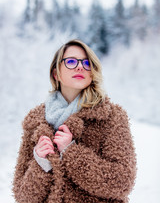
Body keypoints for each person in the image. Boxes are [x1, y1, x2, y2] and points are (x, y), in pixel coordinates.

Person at [12, 39, 137, 203]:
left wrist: (71, 152)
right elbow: (23, 197)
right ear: (56, 74)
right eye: (71, 61)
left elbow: (121, 182)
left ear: (92, 72)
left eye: (86, 63)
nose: (80, 67)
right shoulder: (35, 121)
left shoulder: (111, 116)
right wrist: (40, 163)